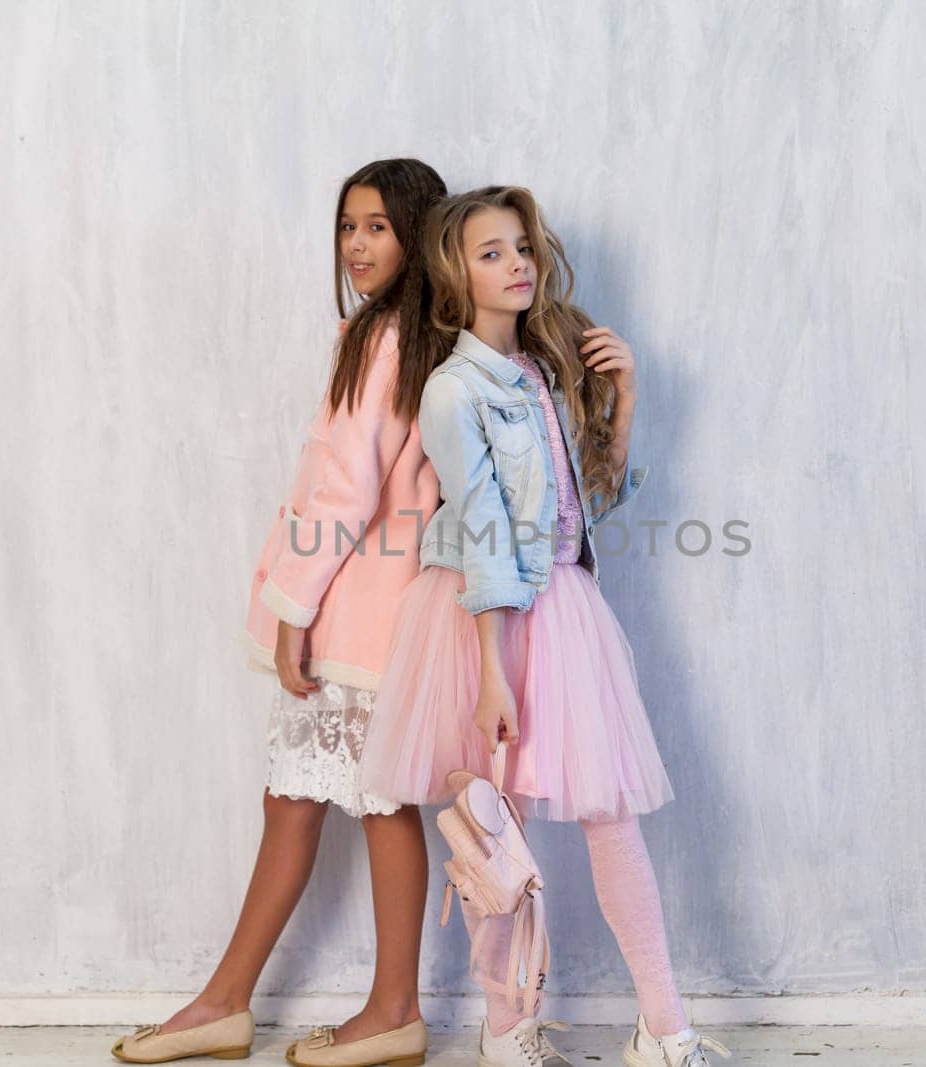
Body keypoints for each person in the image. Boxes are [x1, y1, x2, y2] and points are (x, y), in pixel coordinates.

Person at [357, 186, 729, 1067]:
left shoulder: (545, 367)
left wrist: (624, 398)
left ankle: (664, 1028)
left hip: (561, 605)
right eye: (490, 252)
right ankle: (506, 1026)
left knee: (609, 815)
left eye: (521, 246)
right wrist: (492, 672)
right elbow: (484, 533)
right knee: (498, 831)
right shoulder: (453, 390)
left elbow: (589, 499)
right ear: (455, 271)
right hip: (486, 620)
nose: (516, 263)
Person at [112, 158, 448, 1066]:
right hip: (378, 613)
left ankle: (385, 1010)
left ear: (418, 233)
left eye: (378, 226)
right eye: (347, 227)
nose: (357, 244)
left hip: (356, 614)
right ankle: (236, 1001)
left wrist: (293, 606)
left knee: (374, 806)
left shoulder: (385, 345)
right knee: (305, 801)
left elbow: (346, 489)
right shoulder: (404, 339)